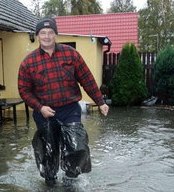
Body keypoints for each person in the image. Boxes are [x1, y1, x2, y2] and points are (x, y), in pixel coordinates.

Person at [18, 17, 109, 186]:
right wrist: (40, 107)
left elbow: (87, 79)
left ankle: (70, 180)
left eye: (50, 32)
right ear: (37, 36)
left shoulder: (71, 54)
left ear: (56, 35)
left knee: (77, 147)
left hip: (69, 110)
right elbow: (24, 90)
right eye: (43, 33)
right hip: (44, 113)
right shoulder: (28, 62)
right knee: (48, 151)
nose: (47, 36)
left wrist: (100, 101)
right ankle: (50, 183)